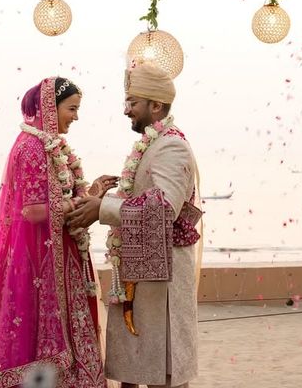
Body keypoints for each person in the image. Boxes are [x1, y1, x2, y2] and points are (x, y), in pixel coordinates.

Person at [0, 76, 118, 388]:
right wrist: (81, 204)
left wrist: (92, 193)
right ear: (50, 106)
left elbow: (56, 198)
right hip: (41, 263)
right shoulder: (33, 147)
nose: (76, 116)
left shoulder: (48, 144)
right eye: (71, 109)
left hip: (59, 255)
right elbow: (33, 211)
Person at [68, 63, 202, 388]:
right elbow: (146, 198)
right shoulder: (153, 143)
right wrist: (103, 197)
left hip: (163, 277)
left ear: (156, 106)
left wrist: (104, 208)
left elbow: (163, 207)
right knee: (138, 366)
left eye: (133, 102)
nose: (126, 110)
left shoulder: (171, 145)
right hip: (141, 269)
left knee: (162, 370)